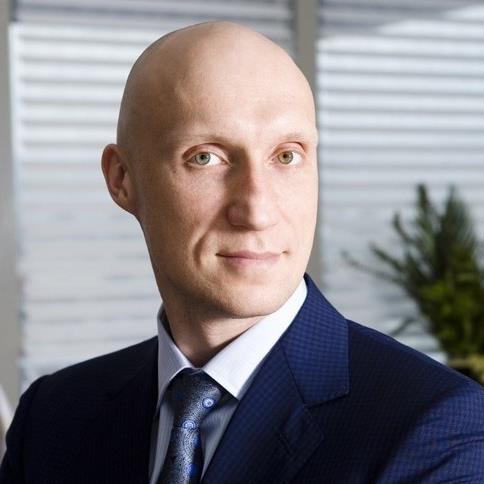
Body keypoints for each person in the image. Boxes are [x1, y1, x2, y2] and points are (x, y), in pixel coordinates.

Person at [1, 21, 483, 484]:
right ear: (122, 179)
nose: (256, 211)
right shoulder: (53, 417)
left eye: (287, 155)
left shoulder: (434, 428)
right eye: (205, 157)